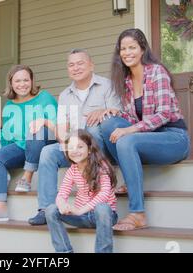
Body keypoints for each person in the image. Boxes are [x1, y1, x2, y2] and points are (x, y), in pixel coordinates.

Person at [99, 28, 190, 231]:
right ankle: (132, 181)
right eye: (123, 48)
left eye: (132, 47)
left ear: (142, 49)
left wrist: (129, 130)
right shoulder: (126, 81)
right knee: (108, 124)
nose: (127, 52)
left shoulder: (157, 72)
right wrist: (116, 113)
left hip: (173, 138)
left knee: (126, 138)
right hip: (149, 137)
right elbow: (132, 118)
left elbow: (164, 114)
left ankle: (138, 214)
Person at [28, 48, 122, 225]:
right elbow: (63, 132)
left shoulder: (106, 86)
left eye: (80, 63)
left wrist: (102, 111)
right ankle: (46, 208)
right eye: (71, 65)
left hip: (99, 150)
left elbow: (118, 115)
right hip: (75, 149)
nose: (76, 68)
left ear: (91, 65)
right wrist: (56, 132)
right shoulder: (64, 95)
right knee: (48, 152)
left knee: (93, 130)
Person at [0, 64, 58, 222]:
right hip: (22, 148)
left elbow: (57, 127)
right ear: (11, 84)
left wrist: (42, 122)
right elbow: (7, 137)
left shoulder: (45, 97)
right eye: (17, 81)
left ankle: (27, 177)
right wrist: (0, 157)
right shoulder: (9, 106)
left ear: (32, 81)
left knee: (36, 130)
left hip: (44, 143)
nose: (22, 84)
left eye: (26, 80)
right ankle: (0, 208)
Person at [45, 129, 117, 253]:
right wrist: (62, 204)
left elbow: (104, 194)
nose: (75, 151)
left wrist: (80, 210)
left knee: (102, 208)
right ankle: (64, 252)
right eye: (71, 147)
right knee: (51, 210)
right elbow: (62, 193)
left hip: (101, 216)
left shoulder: (101, 166)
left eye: (80, 147)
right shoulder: (72, 170)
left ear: (89, 150)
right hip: (82, 216)